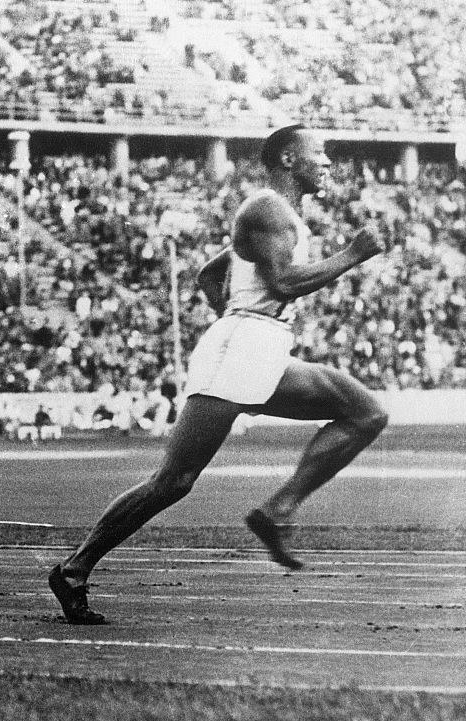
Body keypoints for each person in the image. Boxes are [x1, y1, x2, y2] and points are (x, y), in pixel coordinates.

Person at [48, 125, 389, 624]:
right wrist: (353, 254)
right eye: (321, 154)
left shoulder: (282, 214)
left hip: (261, 343)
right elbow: (283, 281)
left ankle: (276, 511)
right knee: (173, 481)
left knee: (366, 412)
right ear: (290, 159)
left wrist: (236, 320)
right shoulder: (267, 208)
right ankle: (74, 569)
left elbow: (210, 275)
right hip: (246, 344)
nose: (330, 163)